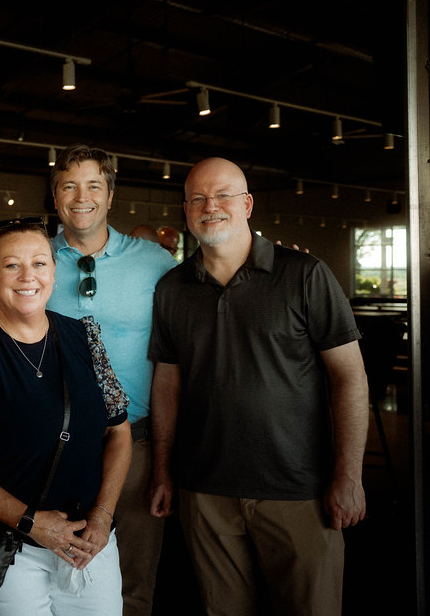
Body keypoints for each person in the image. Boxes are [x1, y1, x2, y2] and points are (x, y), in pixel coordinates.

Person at [148, 157, 368, 614]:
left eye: (223, 194)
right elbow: (168, 384)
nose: (211, 206)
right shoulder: (172, 289)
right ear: (186, 210)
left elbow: (349, 377)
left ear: (247, 204)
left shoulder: (305, 275)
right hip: (205, 491)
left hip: (298, 489)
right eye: (197, 198)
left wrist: (349, 476)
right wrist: (164, 470)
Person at [0, 217, 132, 615]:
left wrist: (103, 517)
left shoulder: (84, 337)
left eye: (39, 263)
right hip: (7, 546)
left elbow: (119, 434)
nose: (28, 277)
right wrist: (31, 522)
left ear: (54, 272)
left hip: (89, 540)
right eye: (11, 265)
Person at [44, 144, 176, 616]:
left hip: (137, 445)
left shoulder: (157, 265)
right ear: (55, 195)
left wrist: (165, 460)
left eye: (93, 185)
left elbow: (177, 360)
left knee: (135, 581)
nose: (81, 197)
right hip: (56, 448)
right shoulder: (35, 260)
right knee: (58, 576)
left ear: (111, 194)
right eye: (69, 186)